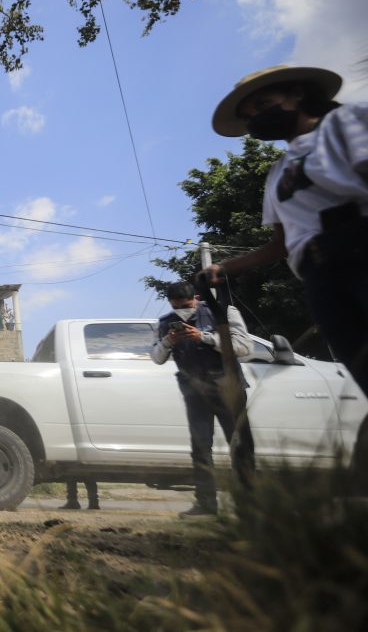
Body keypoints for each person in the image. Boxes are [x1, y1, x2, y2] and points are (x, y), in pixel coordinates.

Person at [203, 65, 368, 399]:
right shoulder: (278, 172)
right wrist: (224, 266)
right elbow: (281, 244)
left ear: (298, 94)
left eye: (263, 105)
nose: (256, 118)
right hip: (318, 275)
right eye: (249, 117)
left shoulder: (343, 122)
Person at [150, 281, 256, 518]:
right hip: (194, 392)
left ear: (196, 298)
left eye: (186, 305)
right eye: (176, 307)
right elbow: (156, 357)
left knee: (241, 446)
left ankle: (248, 506)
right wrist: (168, 341)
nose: (182, 311)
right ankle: (206, 505)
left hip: (228, 388)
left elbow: (244, 347)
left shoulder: (223, 312)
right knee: (200, 449)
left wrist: (203, 337)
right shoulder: (165, 322)